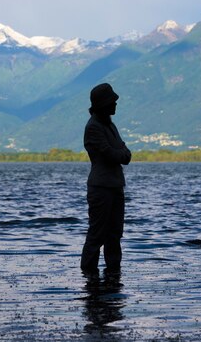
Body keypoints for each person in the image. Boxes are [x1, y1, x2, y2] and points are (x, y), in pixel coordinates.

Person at [81, 83, 131, 273]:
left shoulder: (109, 125)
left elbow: (122, 149)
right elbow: (112, 153)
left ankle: (113, 273)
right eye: (112, 101)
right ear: (104, 104)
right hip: (101, 188)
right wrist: (122, 153)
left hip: (115, 186)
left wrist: (122, 152)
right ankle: (88, 275)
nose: (116, 104)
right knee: (97, 234)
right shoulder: (93, 127)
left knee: (114, 234)